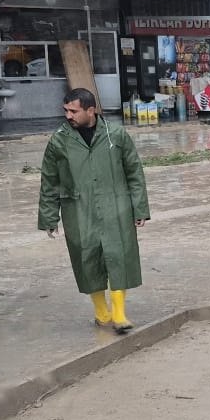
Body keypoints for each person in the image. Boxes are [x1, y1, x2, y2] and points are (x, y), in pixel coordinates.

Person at [37, 88, 150, 332]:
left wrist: (139, 208)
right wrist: (49, 217)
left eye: (73, 111)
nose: (68, 115)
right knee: (88, 260)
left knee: (119, 257)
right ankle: (102, 312)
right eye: (65, 110)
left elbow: (134, 173)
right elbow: (49, 181)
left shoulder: (116, 135)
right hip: (78, 209)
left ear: (91, 110)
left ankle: (119, 314)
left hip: (116, 207)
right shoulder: (59, 141)